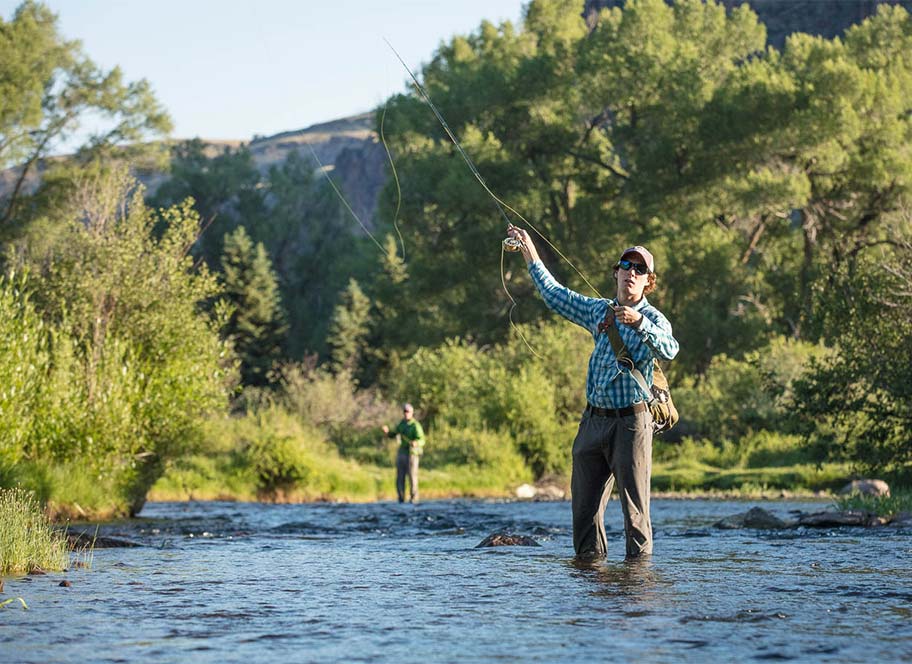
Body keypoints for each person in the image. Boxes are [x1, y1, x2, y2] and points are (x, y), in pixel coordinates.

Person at [506, 224, 679, 559]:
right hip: (591, 423)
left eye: (640, 269)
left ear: (648, 282)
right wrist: (530, 253)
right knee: (583, 514)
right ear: (616, 274)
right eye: (626, 266)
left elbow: (671, 349)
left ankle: (637, 588)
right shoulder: (598, 310)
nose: (632, 272)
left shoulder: (655, 319)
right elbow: (556, 295)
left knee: (636, 513)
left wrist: (639, 323)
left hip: (632, 423)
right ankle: (590, 589)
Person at [383, 403, 426, 504]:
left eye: (408, 412)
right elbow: (393, 434)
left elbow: (422, 440)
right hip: (402, 453)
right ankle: (401, 498)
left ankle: (413, 498)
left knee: (412, 476)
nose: (406, 413)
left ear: (412, 413)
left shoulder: (416, 426)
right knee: (400, 477)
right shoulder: (401, 424)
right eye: (405, 412)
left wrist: (416, 443)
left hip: (412, 454)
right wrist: (387, 432)